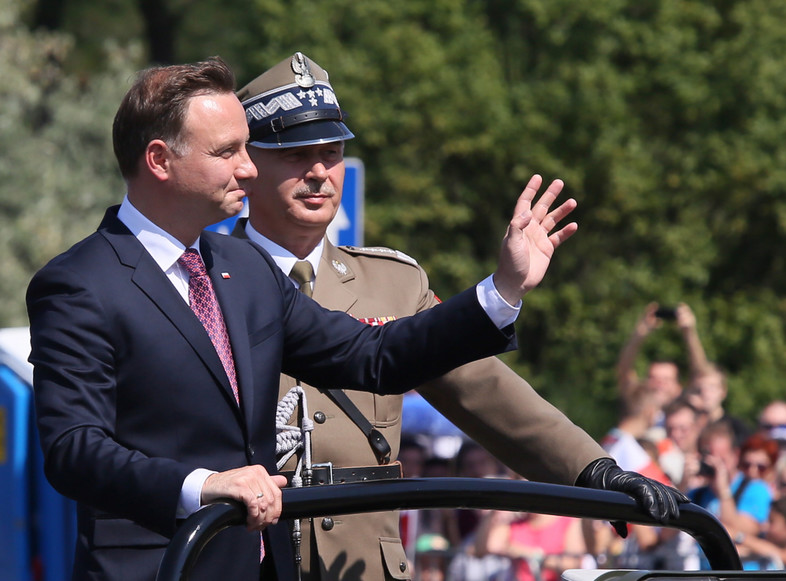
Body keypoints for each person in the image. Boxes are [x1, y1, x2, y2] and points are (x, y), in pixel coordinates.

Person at [27, 56, 586, 581]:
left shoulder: (241, 268)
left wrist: (501, 289)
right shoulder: (79, 283)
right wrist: (203, 487)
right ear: (159, 161)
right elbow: (75, 448)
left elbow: (373, 356)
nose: (249, 169)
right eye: (228, 152)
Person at [234, 52, 688, 580]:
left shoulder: (393, 284)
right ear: (248, 163)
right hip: (244, 556)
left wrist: (596, 471)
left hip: (360, 567)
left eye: (332, 153)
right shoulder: (204, 281)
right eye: (296, 154)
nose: (319, 172)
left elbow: (483, 389)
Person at [617, 303, 710, 418]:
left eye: (666, 379)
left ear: (678, 386)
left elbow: (700, 374)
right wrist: (640, 333)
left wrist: (689, 333)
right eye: (654, 378)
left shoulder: (685, 406)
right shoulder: (637, 402)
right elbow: (624, 370)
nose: (659, 384)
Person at [686, 365, 753, 445]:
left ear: (723, 392)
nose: (705, 394)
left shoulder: (737, 428)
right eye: (699, 389)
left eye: (712, 388)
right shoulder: (685, 428)